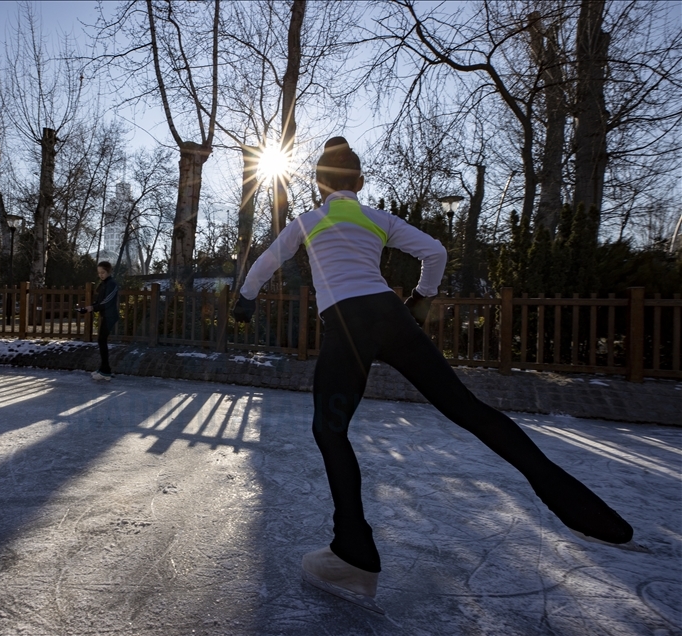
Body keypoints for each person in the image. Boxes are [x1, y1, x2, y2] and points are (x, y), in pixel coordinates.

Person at [233, 137, 638, 614]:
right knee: (467, 409)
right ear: (360, 185)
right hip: (392, 318)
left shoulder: (310, 221)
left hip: (347, 326)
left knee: (330, 429)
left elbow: (266, 262)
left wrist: (245, 298)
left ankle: (353, 550)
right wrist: (419, 302)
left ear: (321, 187)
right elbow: (436, 252)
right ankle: (578, 504)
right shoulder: (377, 218)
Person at [78, 261, 120, 381]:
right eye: (99, 273)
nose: (101, 275)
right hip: (105, 315)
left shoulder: (112, 284)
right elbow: (99, 301)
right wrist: (88, 308)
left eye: (103, 272)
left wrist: (93, 307)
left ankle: (105, 371)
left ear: (108, 271)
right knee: (101, 341)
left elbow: (107, 301)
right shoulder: (104, 284)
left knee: (102, 340)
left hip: (110, 316)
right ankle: (103, 368)